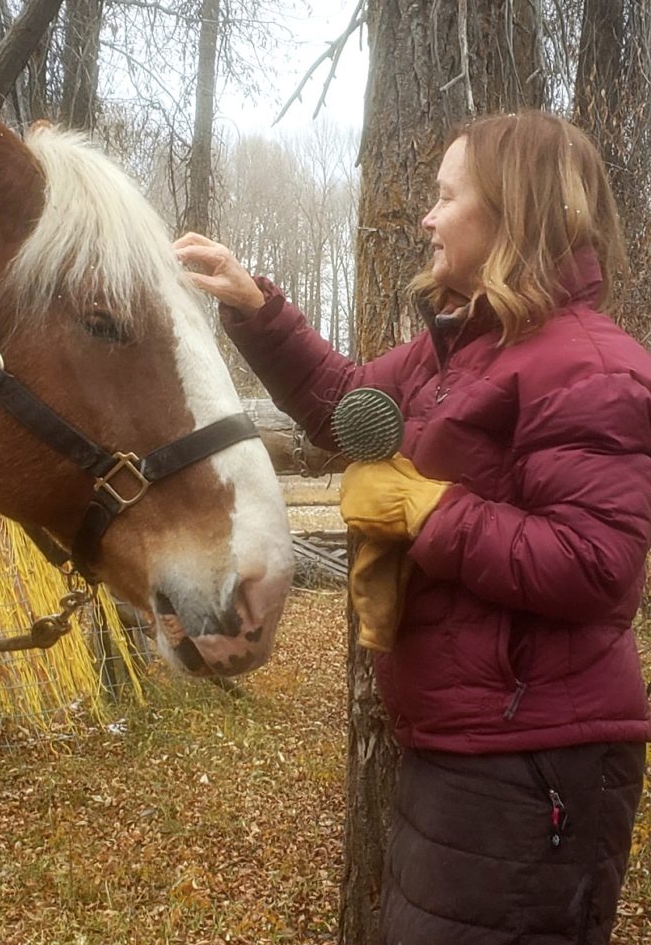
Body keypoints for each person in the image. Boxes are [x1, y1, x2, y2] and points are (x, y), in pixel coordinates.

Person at [173, 110, 651, 945]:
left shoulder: (590, 364)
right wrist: (256, 307)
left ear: (511, 213)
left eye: (445, 197)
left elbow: (598, 563)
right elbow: (346, 404)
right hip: (466, 742)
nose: (426, 218)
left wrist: (428, 510)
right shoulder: (457, 353)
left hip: (537, 759)